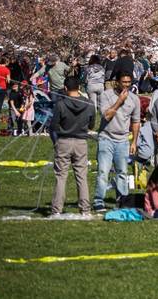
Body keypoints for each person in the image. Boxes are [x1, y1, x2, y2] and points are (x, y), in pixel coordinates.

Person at [93, 70, 140, 211]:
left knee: (122, 172)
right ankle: (98, 200)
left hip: (123, 140)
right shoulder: (106, 95)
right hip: (106, 138)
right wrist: (119, 101)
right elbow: (106, 116)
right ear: (117, 82)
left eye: (128, 82)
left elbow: (136, 122)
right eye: (123, 82)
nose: (126, 85)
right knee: (103, 171)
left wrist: (134, 142)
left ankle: (122, 200)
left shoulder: (134, 99)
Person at [50, 76, 95, 216]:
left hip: (64, 141)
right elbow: (92, 124)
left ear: (65, 88)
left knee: (61, 176)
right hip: (81, 142)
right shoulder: (89, 104)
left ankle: (57, 209)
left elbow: (54, 125)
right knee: (82, 176)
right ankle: (85, 209)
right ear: (79, 88)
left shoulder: (61, 104)